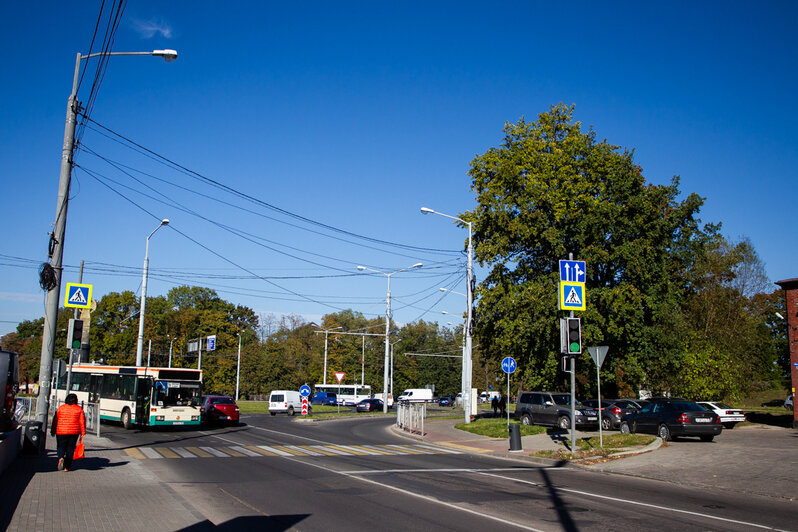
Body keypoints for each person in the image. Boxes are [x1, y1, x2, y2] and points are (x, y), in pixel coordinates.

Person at [50, 393, 86, 471]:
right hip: (74, 432)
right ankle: (67, 466)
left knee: (60, 446)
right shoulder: (79, 409)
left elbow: (55, 420)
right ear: (76, 400)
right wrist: (83, 433)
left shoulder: (61, 408)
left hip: (61, 431)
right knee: (70, 448)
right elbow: (82, 422)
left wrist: (53, 430)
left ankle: (60, 458)